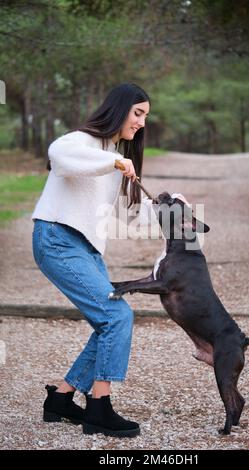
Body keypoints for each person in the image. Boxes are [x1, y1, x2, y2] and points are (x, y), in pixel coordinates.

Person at [31, 83, 150, 438]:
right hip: (56, 238)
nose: (142, 123)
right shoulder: (81, 141)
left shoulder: (112, 154)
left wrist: (176, 215)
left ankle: (62, 398)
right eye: (138, 113)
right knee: (117, 315)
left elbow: (131, 216)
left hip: (84, 247)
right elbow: (58, 155)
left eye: (146, 116)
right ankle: (99, 407)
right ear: (120, 109)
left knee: (107, 321)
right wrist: (114, 161)